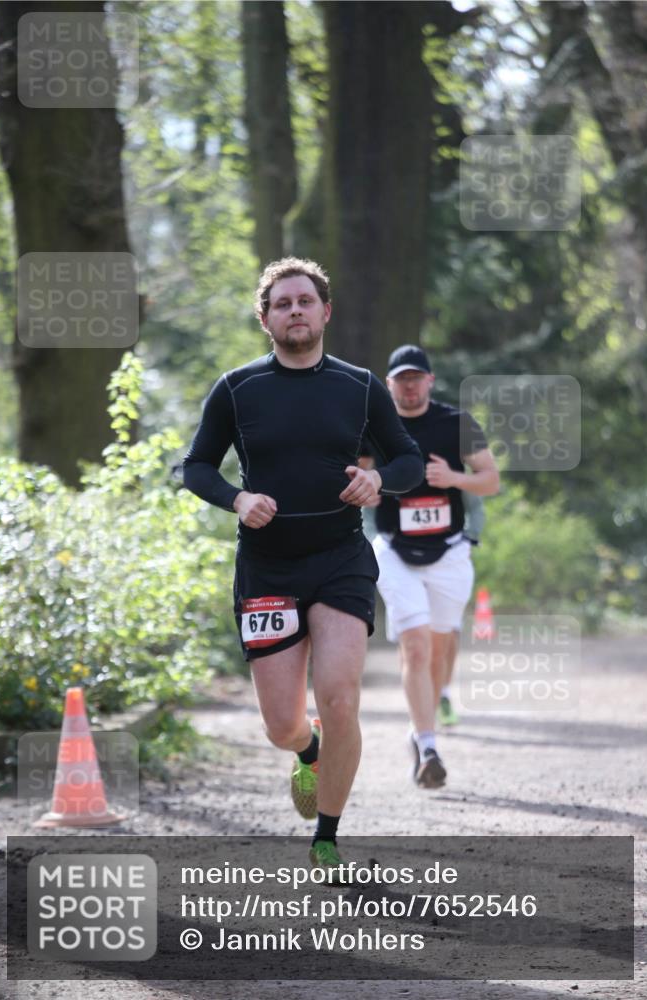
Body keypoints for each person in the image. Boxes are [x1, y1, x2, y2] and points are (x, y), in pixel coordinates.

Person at [182, 259, 423, 870]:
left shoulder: (360, 385)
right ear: (265, 318)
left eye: (305, 301)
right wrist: (238, 498)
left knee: (341, 697)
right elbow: (197, 466)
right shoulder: (237, 388)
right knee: (281, 725)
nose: (295, 311)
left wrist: (377, 480)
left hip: (341, 559)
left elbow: (409, 461)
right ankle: (307, 751)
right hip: (267, 567)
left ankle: (327, 836)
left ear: (325, 312)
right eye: (283, 303)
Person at [367, 345, 499, 789]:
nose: (408, 385)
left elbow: (491, 479)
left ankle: (422, 726)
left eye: (415, 377)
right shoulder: (375, 426)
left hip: (448, 552)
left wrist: (455, 479)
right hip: (394, 550)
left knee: (441, 649)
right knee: (416, 645)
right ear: (389, 385)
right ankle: (428, 746)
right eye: (400, 379)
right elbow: (358, 477)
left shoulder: (458, 424)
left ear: (430, 380)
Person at [436, 491, 486, 727]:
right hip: (405, 557)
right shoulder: (400, 461)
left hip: (450, 557)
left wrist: (469, 537)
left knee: (450, 630)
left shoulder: (452, 462)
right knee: (412, 632)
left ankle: (443, 694)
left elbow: (475, 503)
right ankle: (419, 697)